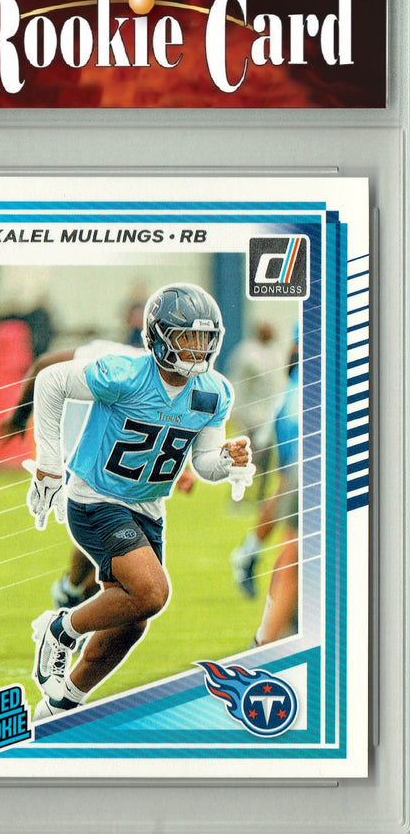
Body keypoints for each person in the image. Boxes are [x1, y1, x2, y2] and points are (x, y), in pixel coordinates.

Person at [26, 283, 254, 720]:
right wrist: (50, 463)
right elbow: (51, 381)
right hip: (96, 498)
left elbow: (204, 463)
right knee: (151, 591)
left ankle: (61, 705)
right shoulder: (126, 373)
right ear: (160, 336)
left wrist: (227, 461)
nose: (197, 348)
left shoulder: (214, 391)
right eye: (187, 337)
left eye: (204, 338)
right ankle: (60, 629)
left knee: (133, 621)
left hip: (148, 510)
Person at [0, 339, 196, 610]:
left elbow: (158, 428)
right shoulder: (109, 356)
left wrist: (180, 468)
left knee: (118, 556)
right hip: (80, 457)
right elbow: (45, 365)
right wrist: (20, 416)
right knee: (112, 531)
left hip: (116, 463)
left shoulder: (166, 383)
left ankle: (72, 591)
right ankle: (71, 595)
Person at [231, 336, 299, 616]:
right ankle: (275, 628)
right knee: (298, 538)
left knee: (286, 491)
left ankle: (248, 553)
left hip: (290, 405)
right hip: (300, 409)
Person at [226, 322, 282, 501]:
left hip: (267, 416)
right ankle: (238, 496)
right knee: (247, 458)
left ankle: (260, 497)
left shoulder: (273, 353)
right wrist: (235, 412)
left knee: (266, 459)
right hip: (250, 415)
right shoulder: (247, 353)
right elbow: (238, 383)